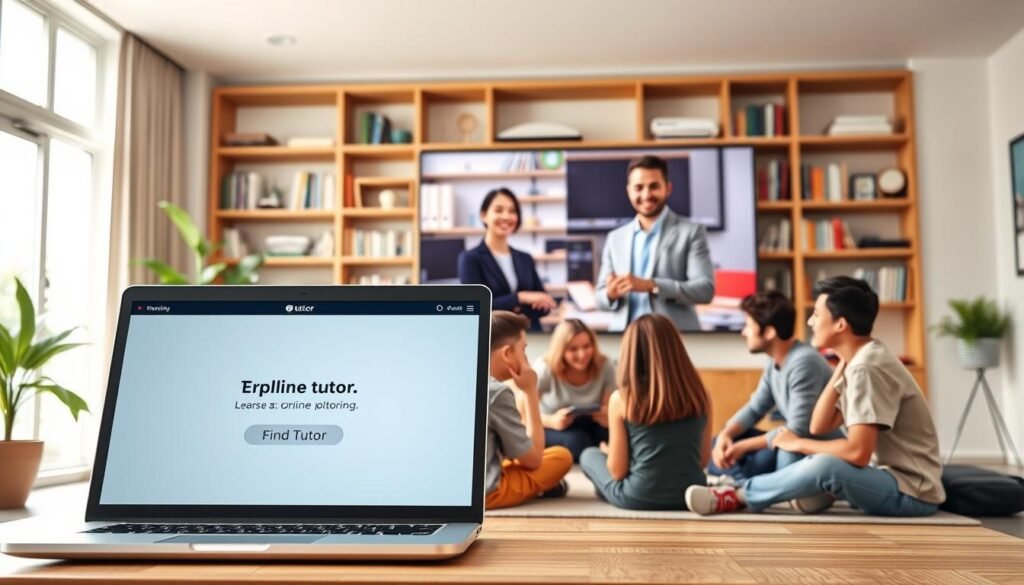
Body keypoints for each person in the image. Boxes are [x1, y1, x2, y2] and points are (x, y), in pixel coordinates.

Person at [686, 276, 945, 517]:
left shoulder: (867, 368)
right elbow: (817, 425)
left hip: (912, 491)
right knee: (796, 448)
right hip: (885, 477)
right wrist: (839, 367)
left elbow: (857, 453)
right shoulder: (857, 361)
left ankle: (737, 496)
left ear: (840, 324)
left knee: (820, 463)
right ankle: (806, 492)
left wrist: (797, 444)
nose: (810, 322)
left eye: (817, 314)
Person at [579, 314, 712, 510]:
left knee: (589, 455)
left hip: (639, 497)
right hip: (691, 493)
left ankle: (604, 489)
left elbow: (617, 472)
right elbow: (701, 460)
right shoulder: (701, 395)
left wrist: (610, 454)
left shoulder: (622, 399)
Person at [707, 292, 835, 482]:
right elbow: (755, 408)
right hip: (789, 438)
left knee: (760, 456)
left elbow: (797, 429)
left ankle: (743, 485)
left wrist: (744, 447)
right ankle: (745, 482)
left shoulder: (804, 362)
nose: (743, 332)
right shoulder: (774, 362)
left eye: (749, 326)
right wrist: (726, 435)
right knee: (717, 444)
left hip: (813, 446)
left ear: (769, 332)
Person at [595, 155, 715, 332]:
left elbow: (705, 291)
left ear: (668, 188)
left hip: (674, 339)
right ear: (629, 191)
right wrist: (610, 294)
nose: (646, 195)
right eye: (638, 188)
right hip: (626, 340)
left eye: (654, 186)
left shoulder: (692, 232)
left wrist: (652, 285)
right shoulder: (615, 238)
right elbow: (600, 298)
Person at [485, 311, 573, 509]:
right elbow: (532, 460)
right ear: (507, 353)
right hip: (484, 494)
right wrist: (531, 392)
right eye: (523, 350)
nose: (526, 358)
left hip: (445, 488)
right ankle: (542, 487)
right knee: (561, 457)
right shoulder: (496, 392)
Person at [459, 188, 557, 330]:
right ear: (483, 215)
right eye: (499, 210)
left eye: (512, 211)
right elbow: (474, 306)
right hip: (494, 339)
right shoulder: (470, 259)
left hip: (530, 336)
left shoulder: (525, 258)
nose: (506, 216)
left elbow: (544, 304)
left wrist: (515, 306)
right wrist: (521, 298)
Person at [534, 319, 617, 462]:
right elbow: (522, 415)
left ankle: (599, 455)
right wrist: (551, 421)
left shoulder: (605, 365)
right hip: (551, 424)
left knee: (617, 435)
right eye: (573, 349)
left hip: (591, 423)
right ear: (561, 350)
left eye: (587, 346)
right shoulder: (545, 368)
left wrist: (608, 417)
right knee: (579, 442)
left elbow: (609, 409)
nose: (582, 354)